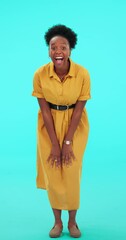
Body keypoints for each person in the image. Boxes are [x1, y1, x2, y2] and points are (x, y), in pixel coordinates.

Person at [32, 24, 91, 238]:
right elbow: (45, 111)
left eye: (63, 47)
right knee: (53, 173)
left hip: (75, 125)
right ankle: (57, 222)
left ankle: (73, 222)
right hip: (48, 126)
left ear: (70, 49)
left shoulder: (82, 74)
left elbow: (79, 110)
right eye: (53, 47)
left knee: (72, 172)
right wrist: (55, 145)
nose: (58, 51)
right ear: (48, 50)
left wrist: (66, 142)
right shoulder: (40, 74)